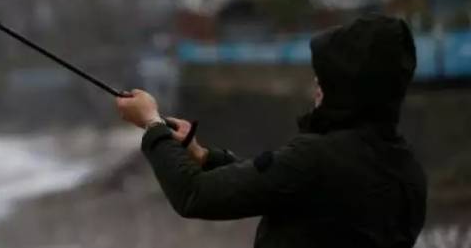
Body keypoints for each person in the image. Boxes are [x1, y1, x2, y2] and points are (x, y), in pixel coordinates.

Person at [116, 14, 427, 248]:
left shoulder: (316, 159)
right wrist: (202, 156)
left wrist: (152, 124)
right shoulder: (407, 171)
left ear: (349, 87)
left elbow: (194, 194)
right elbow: (282, 185)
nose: (316, 87)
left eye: (324, 79)